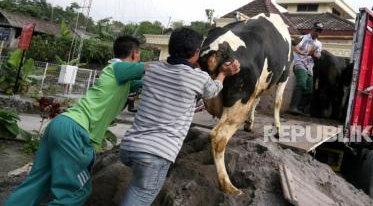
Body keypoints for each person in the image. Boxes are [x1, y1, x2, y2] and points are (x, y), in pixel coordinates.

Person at [5, 36, 148, 206]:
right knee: (75, 193)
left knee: (37, 182)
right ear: (134, 54)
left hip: (62, 124)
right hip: (75, 131)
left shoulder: (120, 78)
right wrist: (175, 63)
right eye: (139, 55)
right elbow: (148, 69)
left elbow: (143, 82)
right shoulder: (118, 68)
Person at [119, 27, 240, 206]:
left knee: (138, 187)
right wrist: (223, 73)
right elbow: (212, 90)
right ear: (197, 53)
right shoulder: (198, 78)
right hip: (156, 154)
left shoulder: (153, 68)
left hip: (129, 147)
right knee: (140, 196)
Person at [287, 22, 323, 115]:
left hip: (310, 67)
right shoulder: (304, 38)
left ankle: (300, 109)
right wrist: (303, 53)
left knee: (309, 90)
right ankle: (293, 107)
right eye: (316, 30)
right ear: (312, 29)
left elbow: (319, 56)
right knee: (302, 83)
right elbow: (296, 48)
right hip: (300, 63)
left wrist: (313, 54)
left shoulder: (318, 44)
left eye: (320, 31)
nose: (317, 33)